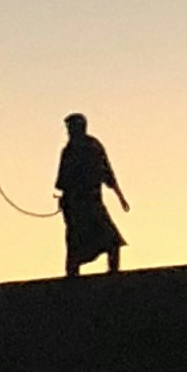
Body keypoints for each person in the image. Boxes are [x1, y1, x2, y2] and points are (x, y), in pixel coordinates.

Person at [54, 112, 127, 279]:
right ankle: (72, 277)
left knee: (111, 239)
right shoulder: (69, 150)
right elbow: (63, 181)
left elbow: (106, 171)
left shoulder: (91, 146)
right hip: (76, 205)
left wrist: (119, 195)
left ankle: (113, 274)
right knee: (75, 243)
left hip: (91, 201)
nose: (69, 131)